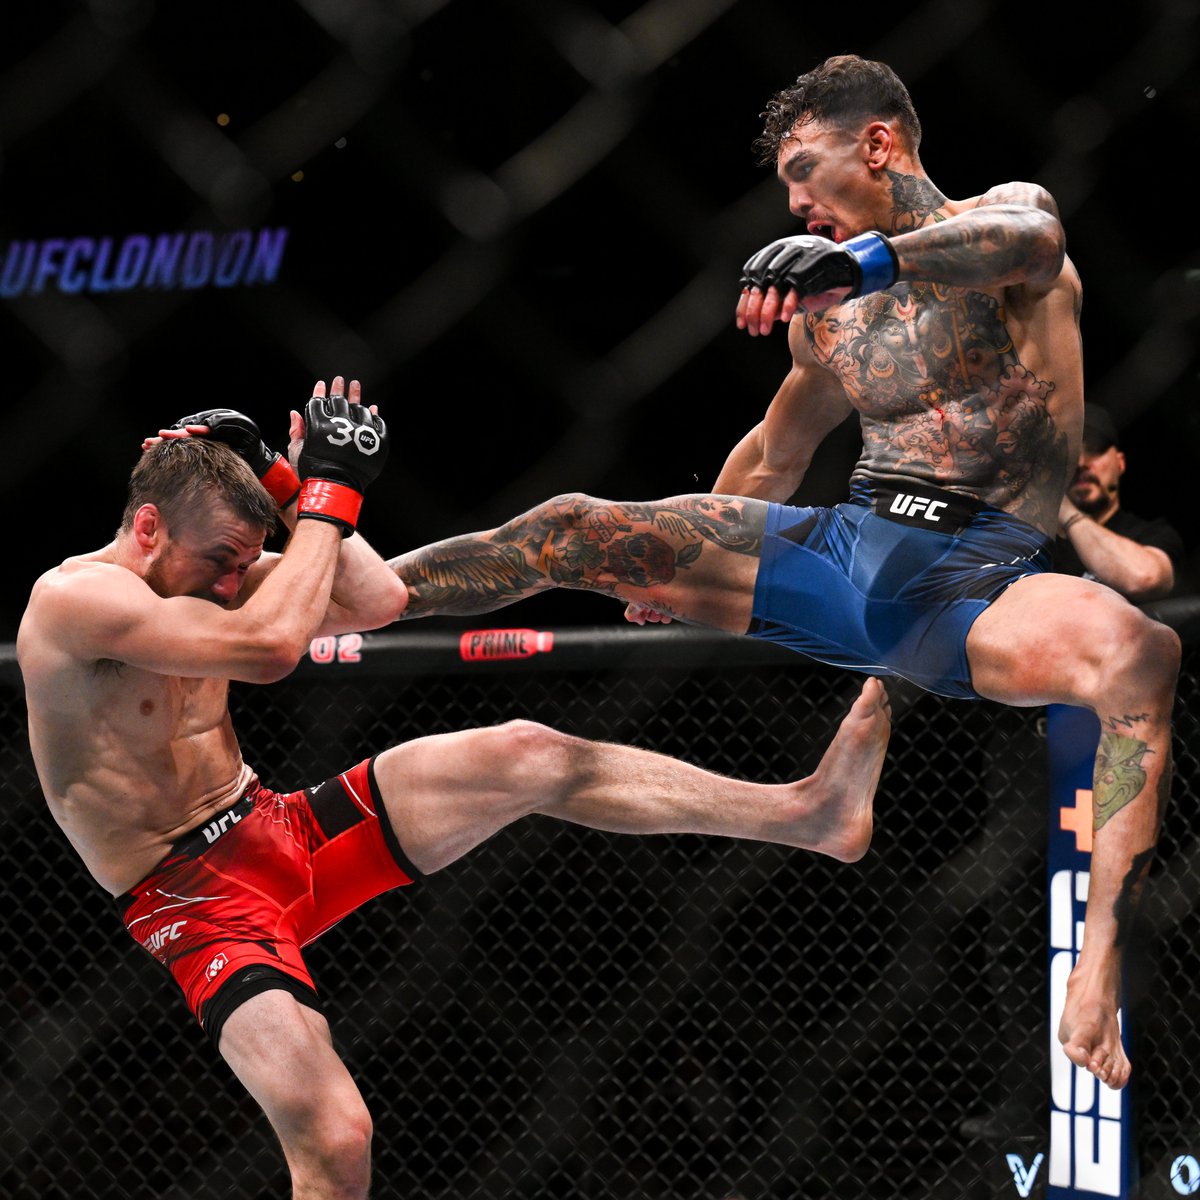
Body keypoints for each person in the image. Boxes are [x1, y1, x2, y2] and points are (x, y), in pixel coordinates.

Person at [386, 54, 1181, 1093]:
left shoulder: (1002, 226)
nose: (796, 202)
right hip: (843, 551)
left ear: (881, 143)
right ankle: (344, 591)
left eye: (807, 169)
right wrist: (680, 563)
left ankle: (1098, 961)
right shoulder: (827, 315)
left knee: (1139, 654)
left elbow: (1030, 241)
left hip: (979, 582)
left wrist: (861, 266)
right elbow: (770, 461)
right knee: (573, 526)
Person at [18, 380, 892, 1199]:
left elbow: (379, 597)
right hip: (192, 896)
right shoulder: (73, 602)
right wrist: (329, 491)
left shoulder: (216, 573)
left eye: (242, 565)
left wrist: (293, 482)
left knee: (530, 752)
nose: (231, 582)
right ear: (145, 529)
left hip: (278, 827)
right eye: (219, 562)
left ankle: (805, 812)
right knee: (337, 1135)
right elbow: (272, 649)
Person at [1056, 403, 1184, 601]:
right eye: (1070, 452)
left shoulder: (1151, 533)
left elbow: (1145, 578)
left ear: (1120, 462)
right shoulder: (1038, 545)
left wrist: (1067, 513)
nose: (1081, 463)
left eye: (1094, 449)